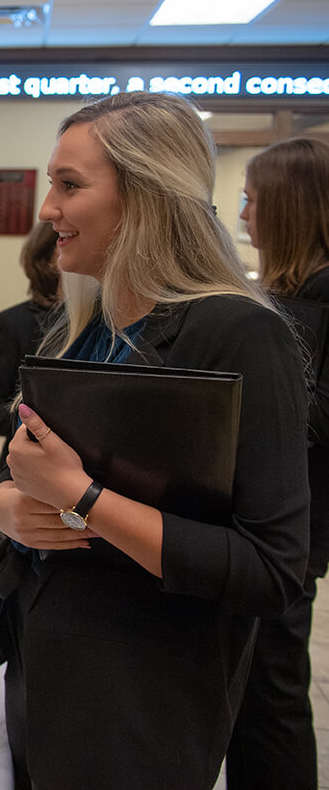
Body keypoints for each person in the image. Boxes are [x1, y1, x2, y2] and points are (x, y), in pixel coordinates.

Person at [0, 91, 310, 789]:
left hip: (134, 702)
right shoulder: (78, 330)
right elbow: (19, 472)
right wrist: (8, 509)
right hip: (44, 665)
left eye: (69, 186)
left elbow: (270, 569)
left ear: (147, 195)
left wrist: (83, 497)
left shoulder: (240, 334)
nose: (46, 211)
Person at [227, 137, 329, 789]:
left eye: (251, 200)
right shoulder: (281, 296)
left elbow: (315, 420)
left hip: (287, 531)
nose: (241, 217)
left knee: (271, 695)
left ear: (289, 209)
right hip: (249, 523)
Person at [0, 221, 60, 478]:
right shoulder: (15, 323)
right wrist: (45, 420)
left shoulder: (106, 322)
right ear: (47, 258)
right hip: (25, 475)